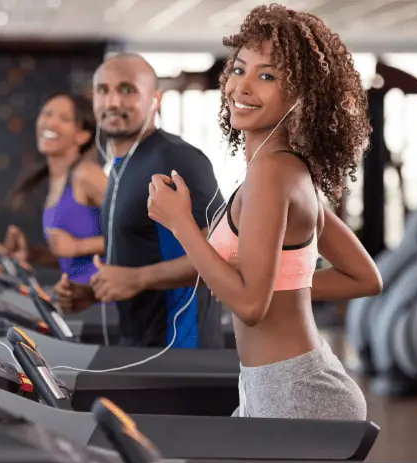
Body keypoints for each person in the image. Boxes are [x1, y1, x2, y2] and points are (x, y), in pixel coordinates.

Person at [147, 4, 382, 419]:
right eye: (238, 69)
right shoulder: (284, 169)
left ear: (302, 97)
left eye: (268, 76)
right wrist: (278, 288)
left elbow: (251, 306)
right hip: (276, 382)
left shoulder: (274, 173)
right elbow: (363, 277)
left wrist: (181, 223)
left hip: (297, 393)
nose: (243, 86)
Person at [55, 53, 225, 349]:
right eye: (103, 91)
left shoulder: (177, 159)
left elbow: (221, 254)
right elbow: (142, 256)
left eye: (127, 90)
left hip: (180, 352)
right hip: (138, 344)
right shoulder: (122, 166)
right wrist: (93, 293)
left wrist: (138, 278)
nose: (112, 103)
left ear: (155, 99)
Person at [5, 93, 107, 284]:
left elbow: (140, 234)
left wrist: (79, 246)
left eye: (64, 119)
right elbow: (73, 261)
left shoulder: (86, 174)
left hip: (106, 304)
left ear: (83, 135)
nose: (50, 123)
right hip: (77, 299)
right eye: (47, 114)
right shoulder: (57, 180)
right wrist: (34, 254)